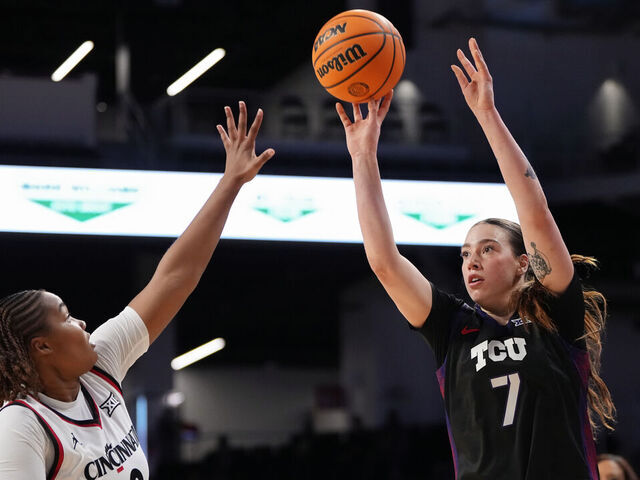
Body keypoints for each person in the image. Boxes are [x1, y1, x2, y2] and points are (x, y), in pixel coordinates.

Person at [336, 37, 615, 479]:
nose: (471, 261)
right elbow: (384, 262)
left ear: (524, 263)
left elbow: (534, 211)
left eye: (488, 248)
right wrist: (363, 155)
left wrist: (487, 114)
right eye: (466, 253)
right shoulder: (451, 327)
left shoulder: (557, 316)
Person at [0, 101, 274, 480]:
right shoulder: (20, 425)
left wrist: (230, 183)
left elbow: (175, 277)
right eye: (65, 317)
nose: (81, 323)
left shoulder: (99, 367)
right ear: (42, 346)